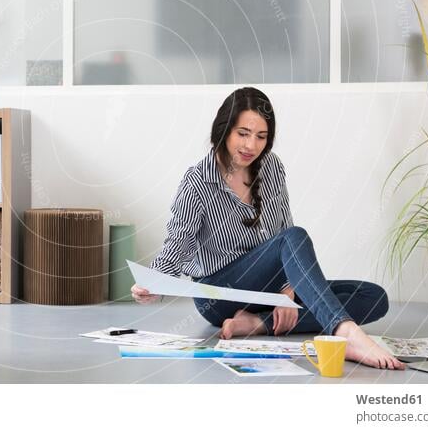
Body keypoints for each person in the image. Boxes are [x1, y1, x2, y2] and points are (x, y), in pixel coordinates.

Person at [131, 87, 404, 370]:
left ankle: (257, 323)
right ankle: (344, 332)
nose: (251, 145)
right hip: (220, 294)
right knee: (296, 238)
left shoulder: (272, 167)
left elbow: (283, 229)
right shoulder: (198, 181)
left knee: (373, 297)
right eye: (243, 133)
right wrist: (153, 283)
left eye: (261, 137)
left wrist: (287, 292)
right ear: (224, 130)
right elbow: (179, 242)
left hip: (267, 290)